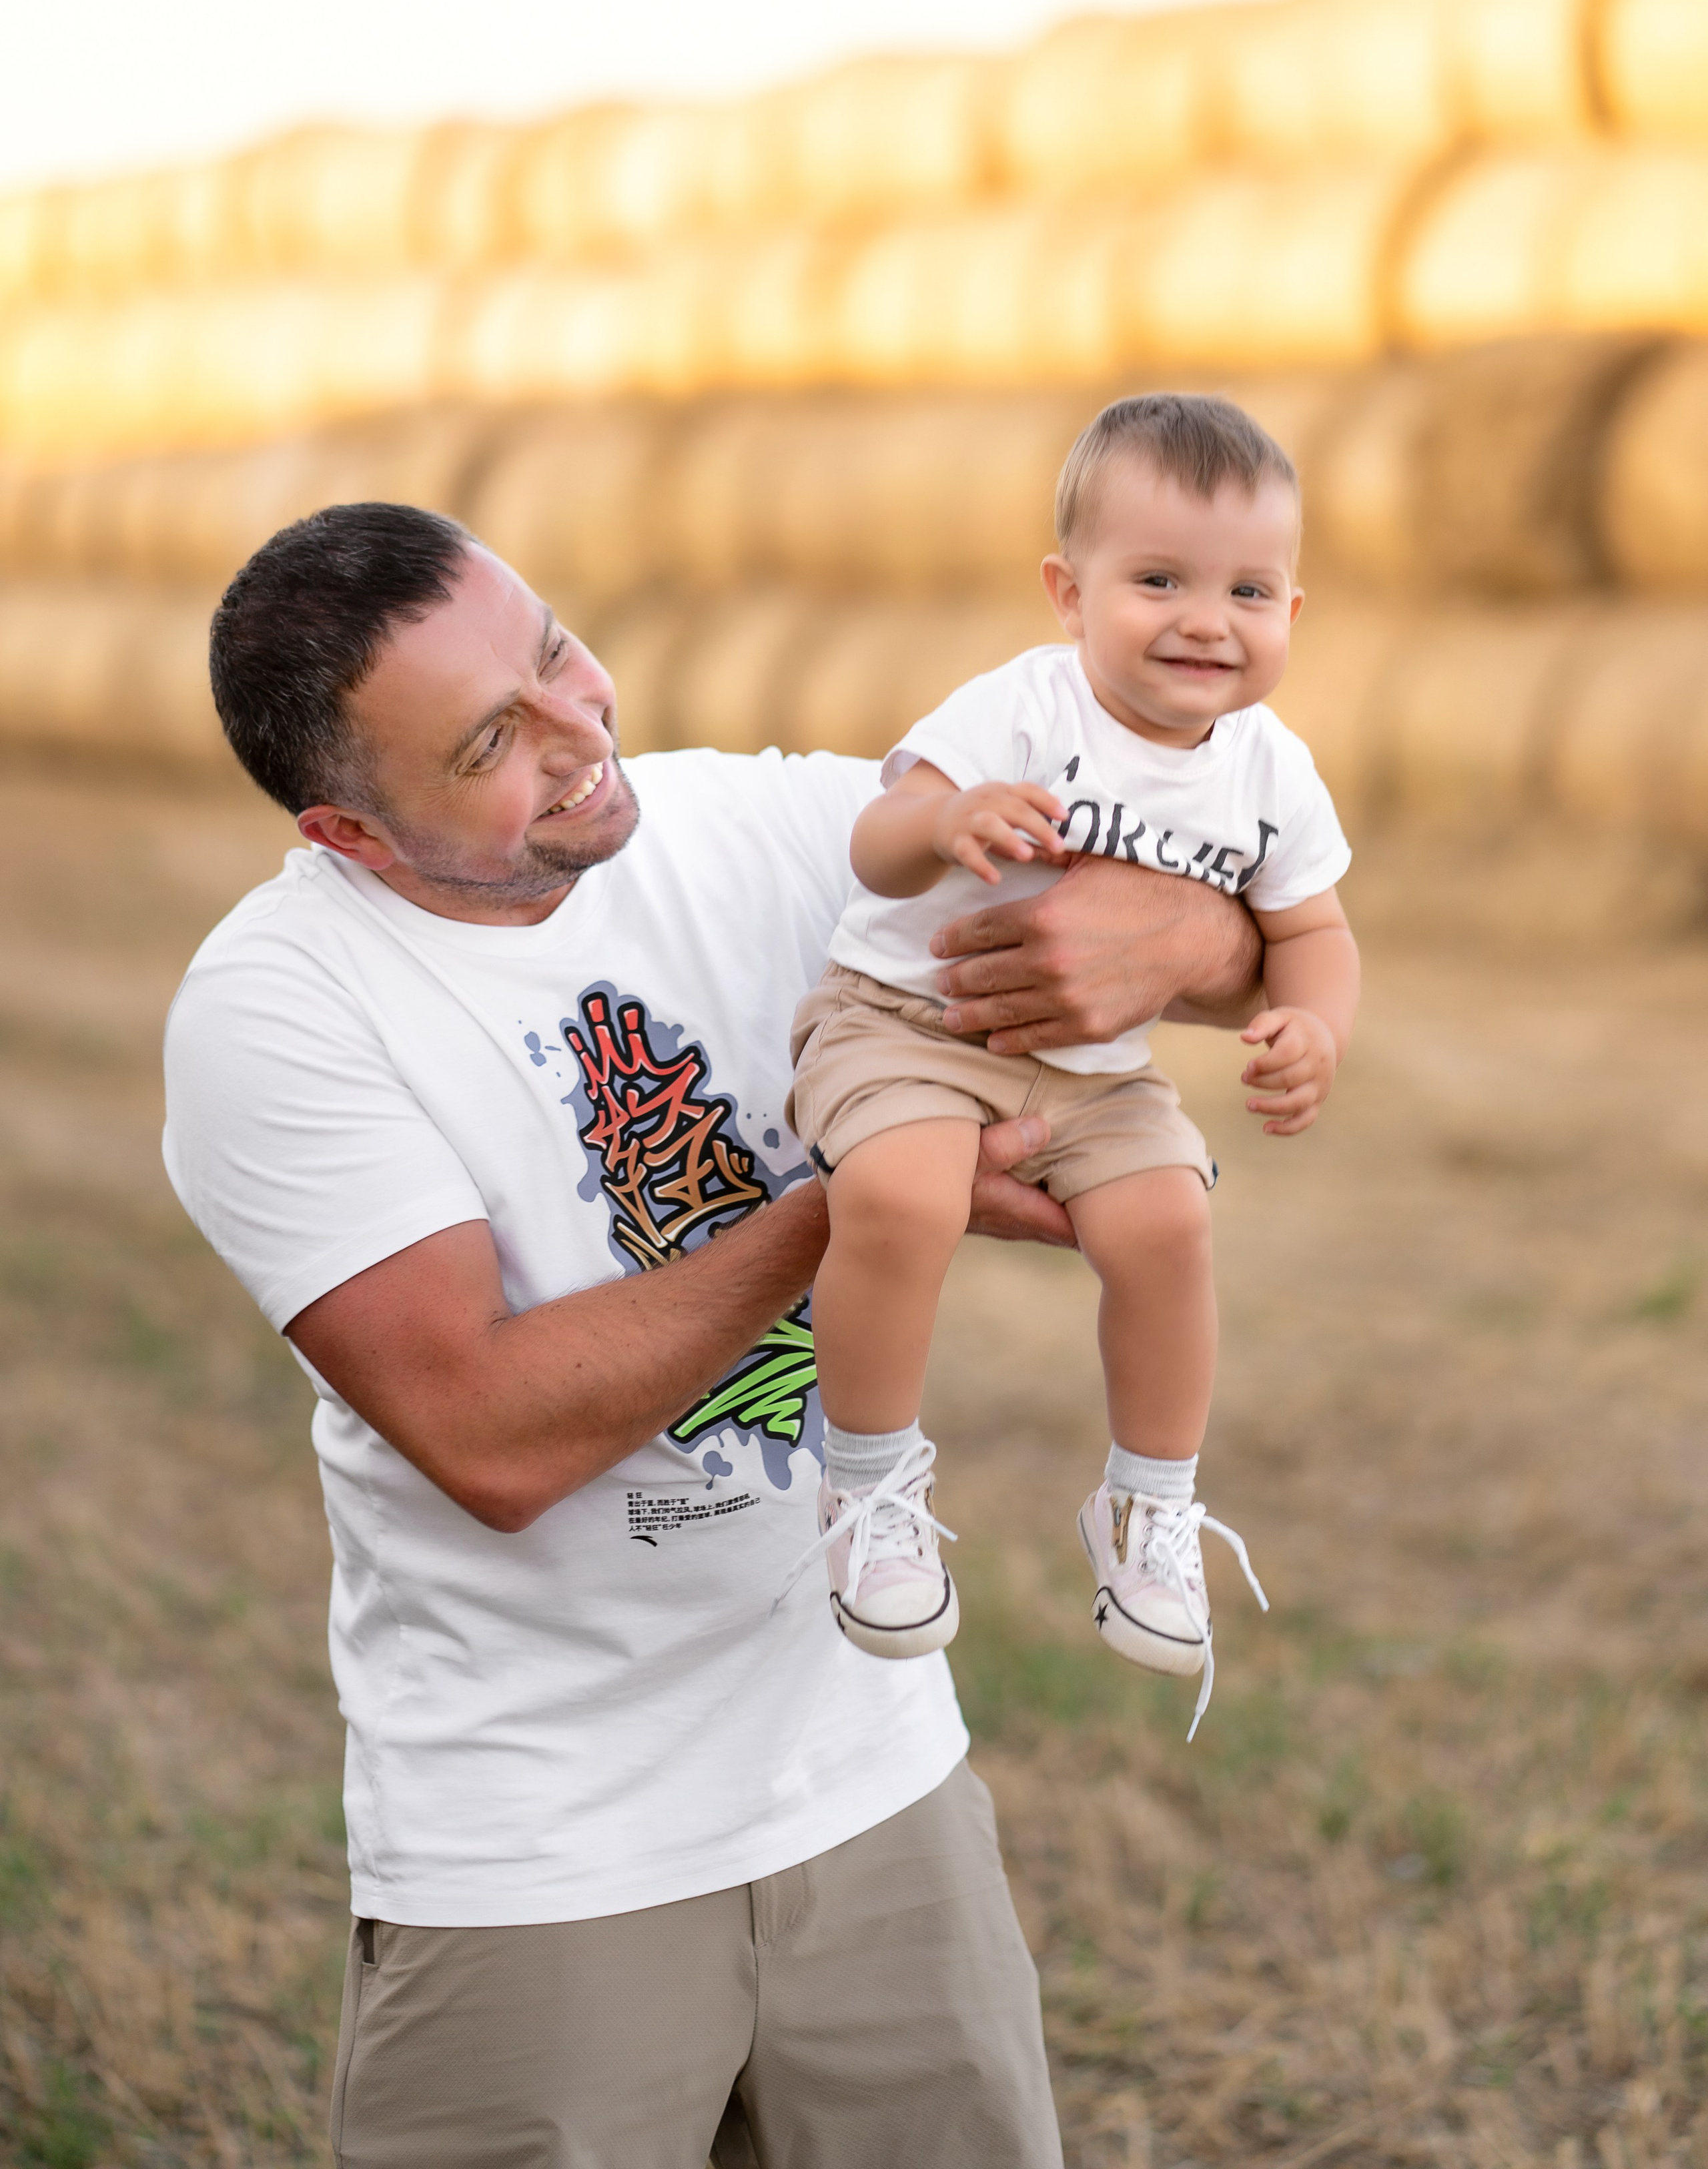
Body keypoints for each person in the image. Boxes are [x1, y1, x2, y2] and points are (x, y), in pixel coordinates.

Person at [162, 499, 1263, 2169]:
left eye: (552, 652)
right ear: (351, 833)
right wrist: (877, 1188)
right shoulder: (277, 1011)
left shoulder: (752, 828)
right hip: (543, 1852)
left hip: (872, 1779)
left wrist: (1188, 938)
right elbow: (489, 1432)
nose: (578, 730)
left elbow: (1232, 890)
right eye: (490, 741)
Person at [789, 396, 1360, 1734]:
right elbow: (875, 845)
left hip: (1093, 1075)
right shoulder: (1025, 706)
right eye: (1155, 580)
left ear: (1291, 609)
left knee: (1168, 1223)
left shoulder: (1270, 770)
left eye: (1248, 590)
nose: (1203, 620)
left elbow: (1311, 932)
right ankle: (867, 1489)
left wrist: (1314, 1025)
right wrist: (946, 814)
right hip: (906, 1024)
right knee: (903, 1196)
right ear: (1067, 592)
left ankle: (1148, 1509)